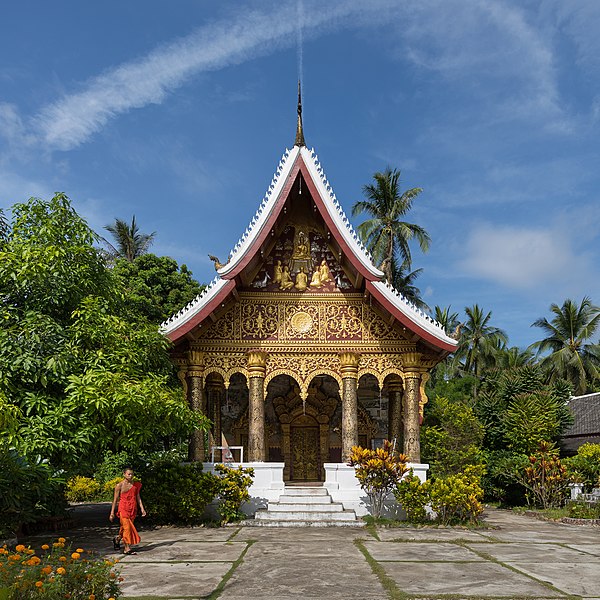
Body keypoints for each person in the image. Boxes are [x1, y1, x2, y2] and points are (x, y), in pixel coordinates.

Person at [109, 467, 146, 555]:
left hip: (133, 508)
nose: (130, 476)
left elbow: (138, 497)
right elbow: (115, 500)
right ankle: (127, 548)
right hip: (123, 508)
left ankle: (117, 539)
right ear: (124, 474)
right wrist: (112, 513)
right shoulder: (119, 485)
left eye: (132, 474)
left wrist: (142, 508)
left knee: (124, 528)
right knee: (127, 528)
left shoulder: (135, 485)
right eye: (128, 474)